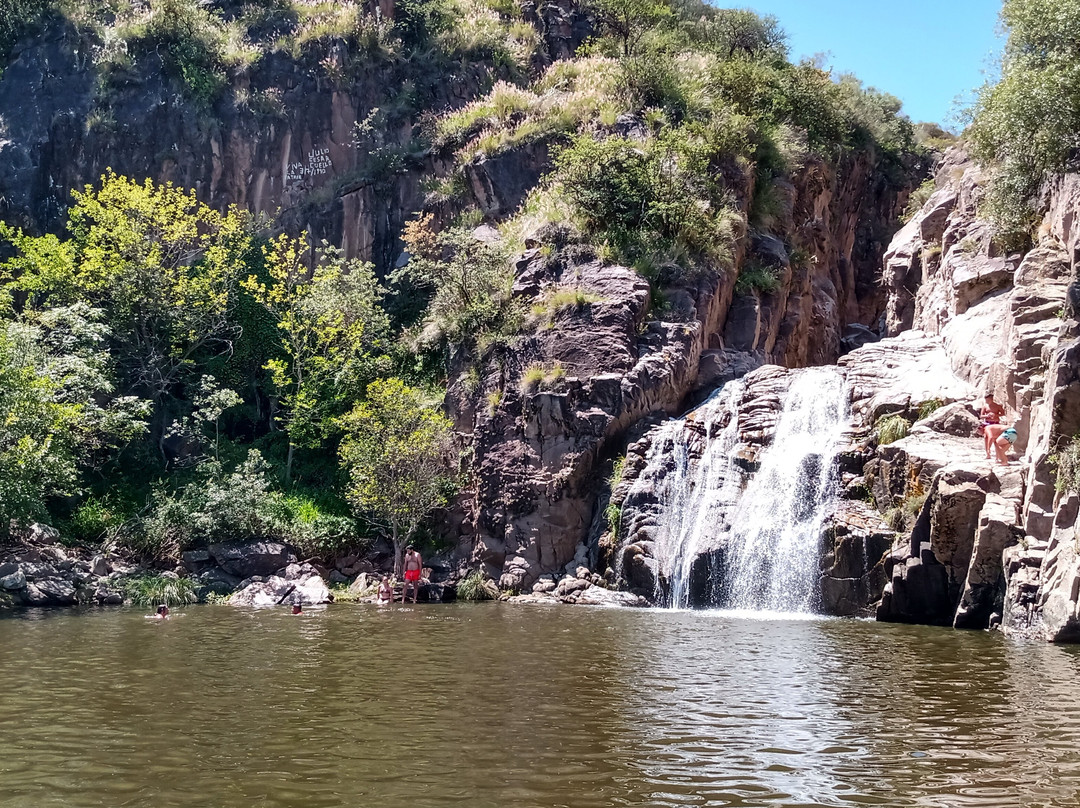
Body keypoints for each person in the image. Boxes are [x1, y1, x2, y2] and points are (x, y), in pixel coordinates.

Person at [979, 392, 1006, 459]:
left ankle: (997, 455)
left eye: (987, 400)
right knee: (986, 438)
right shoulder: (985, 406)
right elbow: (981, 416)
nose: (986, 401)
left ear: (991, 399)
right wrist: (987, 415)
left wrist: (996, 415)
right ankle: (988, 454)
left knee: (995, 439)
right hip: (988, 423)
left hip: (995, 423)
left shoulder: (997, 406)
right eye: (986, 400)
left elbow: (1003, 413)